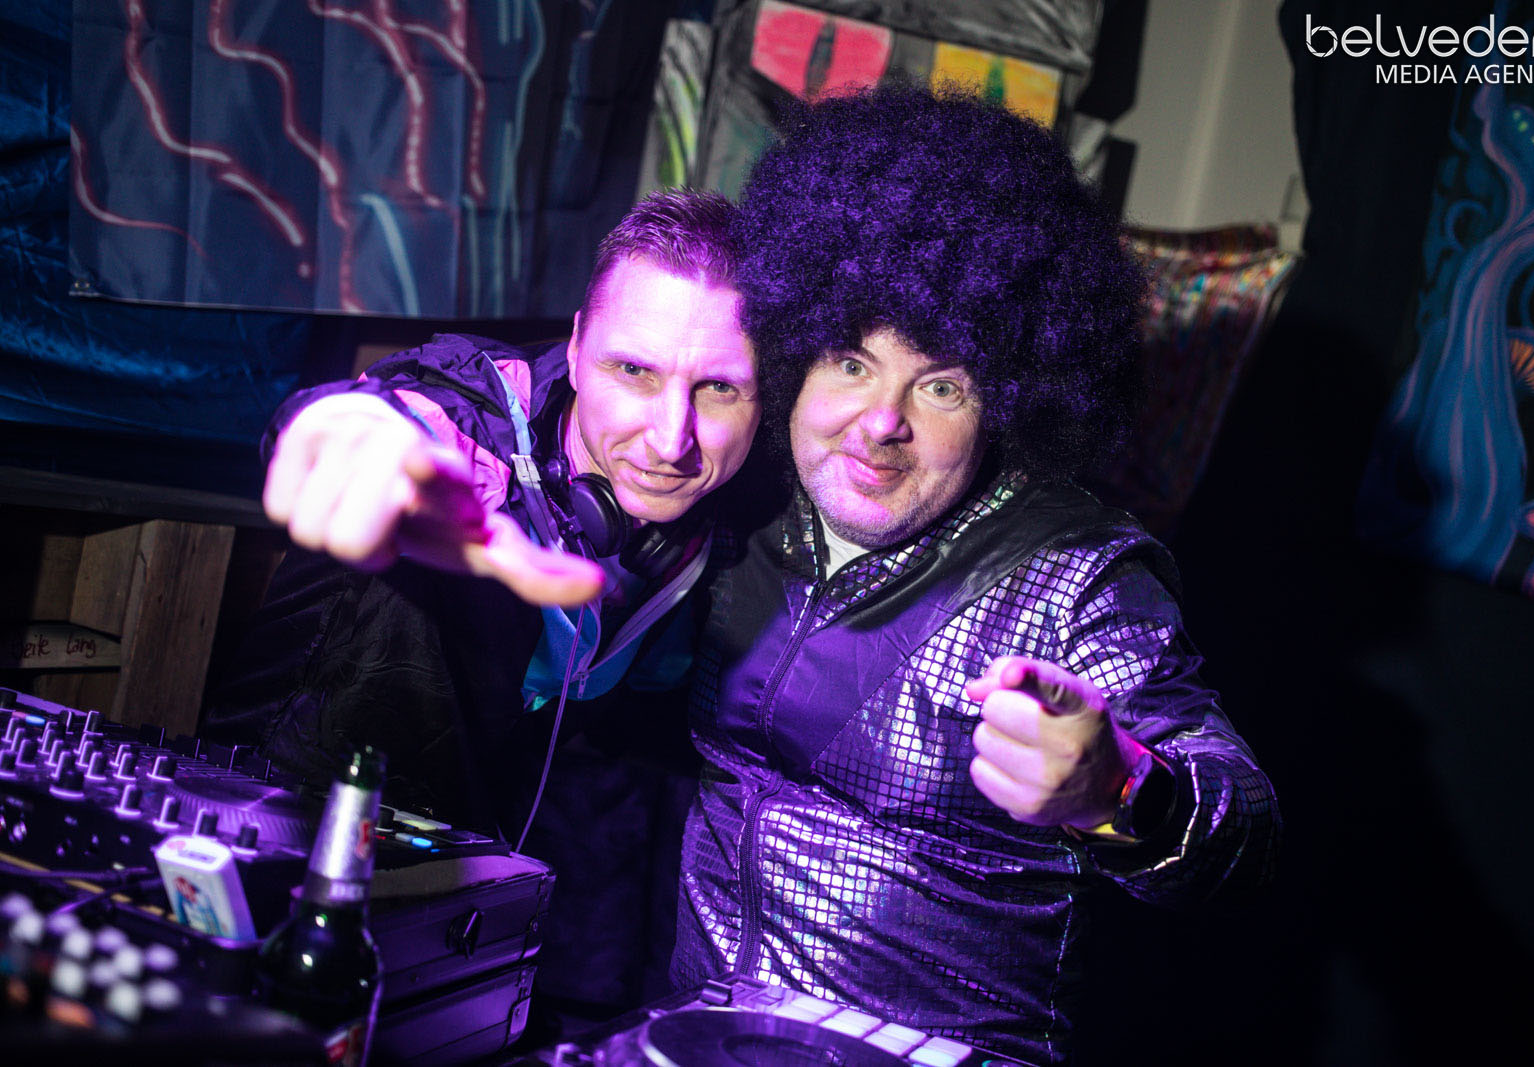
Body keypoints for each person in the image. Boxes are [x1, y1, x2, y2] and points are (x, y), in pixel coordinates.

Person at [667, 87, 1281, 1065]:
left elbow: (1240, 831)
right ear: (794, 355)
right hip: (696, 1038)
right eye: (851, 362)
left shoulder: (1072, 580)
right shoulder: (740, 505)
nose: (882, 421)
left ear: (1008, 400)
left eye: (942, 384)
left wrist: (1120, 787)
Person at [202, 189, 758, 1011]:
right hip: (277, 860)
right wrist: (343, 431)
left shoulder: (713, 531)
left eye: (718, 389)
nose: (670, 438)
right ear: (576, 347)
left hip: (460, 916)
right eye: (633, 371)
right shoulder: (471, 428)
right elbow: (397, 413)